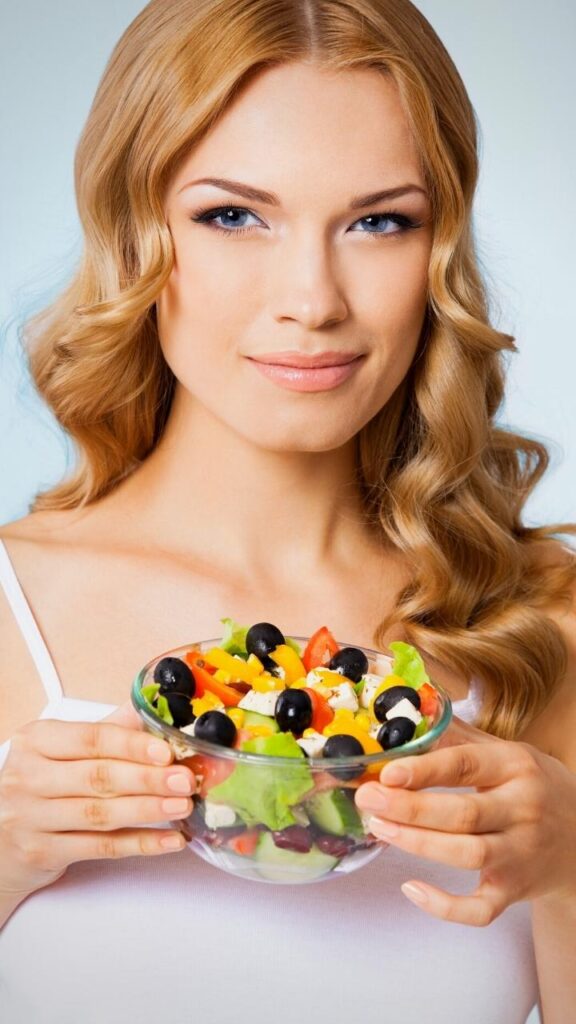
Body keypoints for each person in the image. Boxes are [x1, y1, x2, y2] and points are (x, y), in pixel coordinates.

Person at [0, 0, 574, 1021]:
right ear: (137, 233)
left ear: (437, 247)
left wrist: (573, 858)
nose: (312, 297)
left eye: (378, 221)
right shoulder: (10, 610)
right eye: (233, 215)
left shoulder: (545, 623)